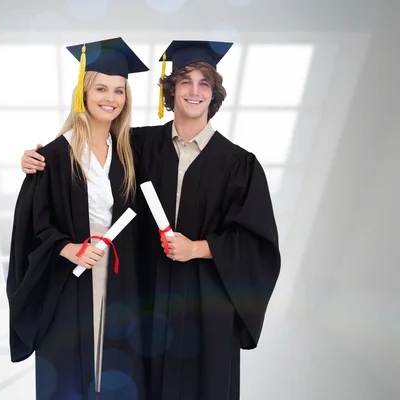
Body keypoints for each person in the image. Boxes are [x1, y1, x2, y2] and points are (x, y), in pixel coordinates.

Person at [20, 40, 281, 400]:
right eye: (185, 81)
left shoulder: (241, 165)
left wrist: (199, 248)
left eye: (204, 83)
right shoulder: (136, 146)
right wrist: (35, 159)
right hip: (146, 301)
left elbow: (259, 245)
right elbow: (87, 148)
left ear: (214, 94)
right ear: (169, 91)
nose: (194, 91)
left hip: (207, 305)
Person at [7, 37, 149, 400]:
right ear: (83, 93)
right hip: (70, 277)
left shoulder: (130, 151)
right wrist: (69, 248)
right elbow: (33, 226)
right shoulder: (53, 156)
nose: (111, 98)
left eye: (119, 90)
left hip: (120, 274)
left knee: (117, 362)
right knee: (71, 365)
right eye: (101, 88)